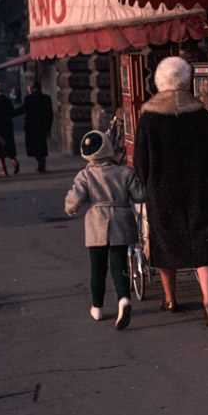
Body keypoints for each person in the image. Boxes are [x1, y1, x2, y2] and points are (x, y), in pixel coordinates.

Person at [133, 56, 208, 326]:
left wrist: (149, 181)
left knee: (166, 242)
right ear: (187, 80)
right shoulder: (200, 114)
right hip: (200, 189)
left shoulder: (149, 118)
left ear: (159, 82)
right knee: (204, 241)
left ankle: (171, 299)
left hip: (162, 192)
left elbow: (140, 162)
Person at [65, 130, 145, 329]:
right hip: (121, 221)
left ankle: (97, 308)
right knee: (120, 265)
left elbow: (75, 200)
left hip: (96, 225)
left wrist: (71, 208)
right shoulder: (124, 172)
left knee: (97, 268)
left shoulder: (85, 175)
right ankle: (124, 299)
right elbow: (139, 195)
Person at [18, 81, 54, 172]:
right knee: (41, 144)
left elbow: (23, 109)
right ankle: (42, 163)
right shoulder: (46, 98)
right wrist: (49, 127)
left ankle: (40, 161)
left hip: (31, 126)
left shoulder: (29, 98)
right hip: (42, 125)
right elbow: (50, 114)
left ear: (30, 88)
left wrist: (10, 113)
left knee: (32, 146)